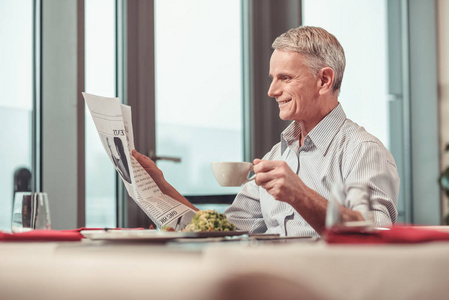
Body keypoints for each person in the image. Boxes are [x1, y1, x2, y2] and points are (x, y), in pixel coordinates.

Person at [133, 26, 400, 237]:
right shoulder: (278, 153)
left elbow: (376, 235)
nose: (271, 91)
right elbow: (227, 232)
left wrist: (300, 195)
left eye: (285, 78)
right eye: (272, 79)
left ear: (324, 80)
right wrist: (162, 188)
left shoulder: (362, 150)